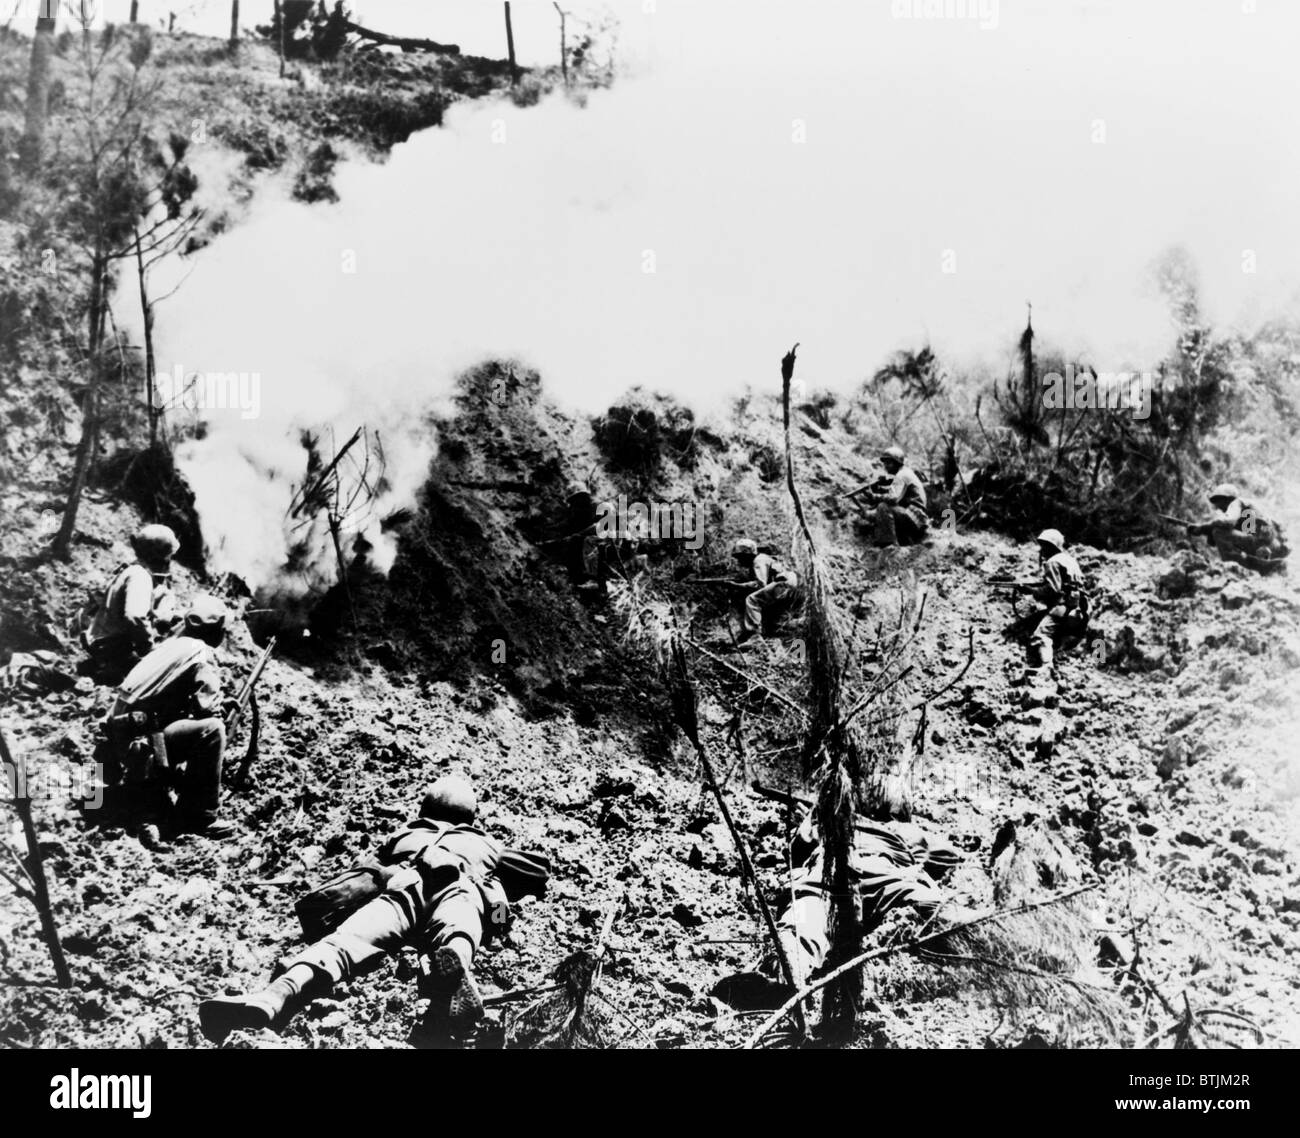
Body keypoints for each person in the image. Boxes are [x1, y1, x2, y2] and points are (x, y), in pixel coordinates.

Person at [197, 776, 543, 1043]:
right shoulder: (483, 843)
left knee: (341, 944)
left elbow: (363, 873)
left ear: (426, 808)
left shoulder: (404, 835)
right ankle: (454, 964)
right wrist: (497, 889)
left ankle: (276, 995)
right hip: (459, 888)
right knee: (459, 929)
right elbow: (536, 871)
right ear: (469, 814)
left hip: (403, 886)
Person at [102, 594, 234, 838]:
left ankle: (159, 787)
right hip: (141, 745)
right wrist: (222, 707)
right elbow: (208, 707)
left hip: (121, 735)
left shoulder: (170, 646)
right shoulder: (200, 653)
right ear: (214, 631)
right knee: (213, 729)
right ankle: (199, 816)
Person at [81, 524, 181, 681]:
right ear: (159, 555)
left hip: (102, 640)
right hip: (111, 649)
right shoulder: (140, 577)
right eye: (168, 555)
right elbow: (135, 617)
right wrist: (148, 649)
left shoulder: (131, 569)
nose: (169, 560)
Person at [1024, 528, 1088, 676]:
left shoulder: (1052, 562)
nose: (1042, 550)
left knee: (1040, 635)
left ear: (1051, 546)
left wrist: (1032, 591)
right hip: (1081, 607)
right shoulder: (1070, 560)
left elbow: (1052, 589)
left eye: (1044, 546)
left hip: (1063, 607)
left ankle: (1047, 666)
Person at [1187, 483, 1289, 569]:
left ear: (1227, 498)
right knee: (1216, 532)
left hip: (1258, 543)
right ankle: (1253, 565)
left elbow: (1228, 522)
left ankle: (1232, 567)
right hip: (1271, 547)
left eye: (1219, 501)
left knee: (1218, 532)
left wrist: (1204, 527)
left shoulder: (1236, 503)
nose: (1219, 507)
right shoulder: (1251, 506)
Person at [847, 447, 928, 546]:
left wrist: (874, 496)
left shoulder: (902, 475)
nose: (886, 466)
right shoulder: (905, 472)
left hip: (915, 518)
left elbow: (893, 498)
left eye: (889, 463)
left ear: (897, 463)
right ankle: (902, 540)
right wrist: (879, 489)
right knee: (877, 511)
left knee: (883, 507)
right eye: (885, 463)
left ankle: (888, 544)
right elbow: (897, 494)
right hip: (915, 518)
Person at [731, 538, 799, 643]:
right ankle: (773, 633)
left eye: (740, 557)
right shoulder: (764, 558)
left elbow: (760, 584)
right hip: (791, 583)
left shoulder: (758, 561)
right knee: (767, 606)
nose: (739, 561)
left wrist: (738, 586)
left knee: (752, 600)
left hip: (783, 583)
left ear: (747, 554)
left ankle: (754, 636)